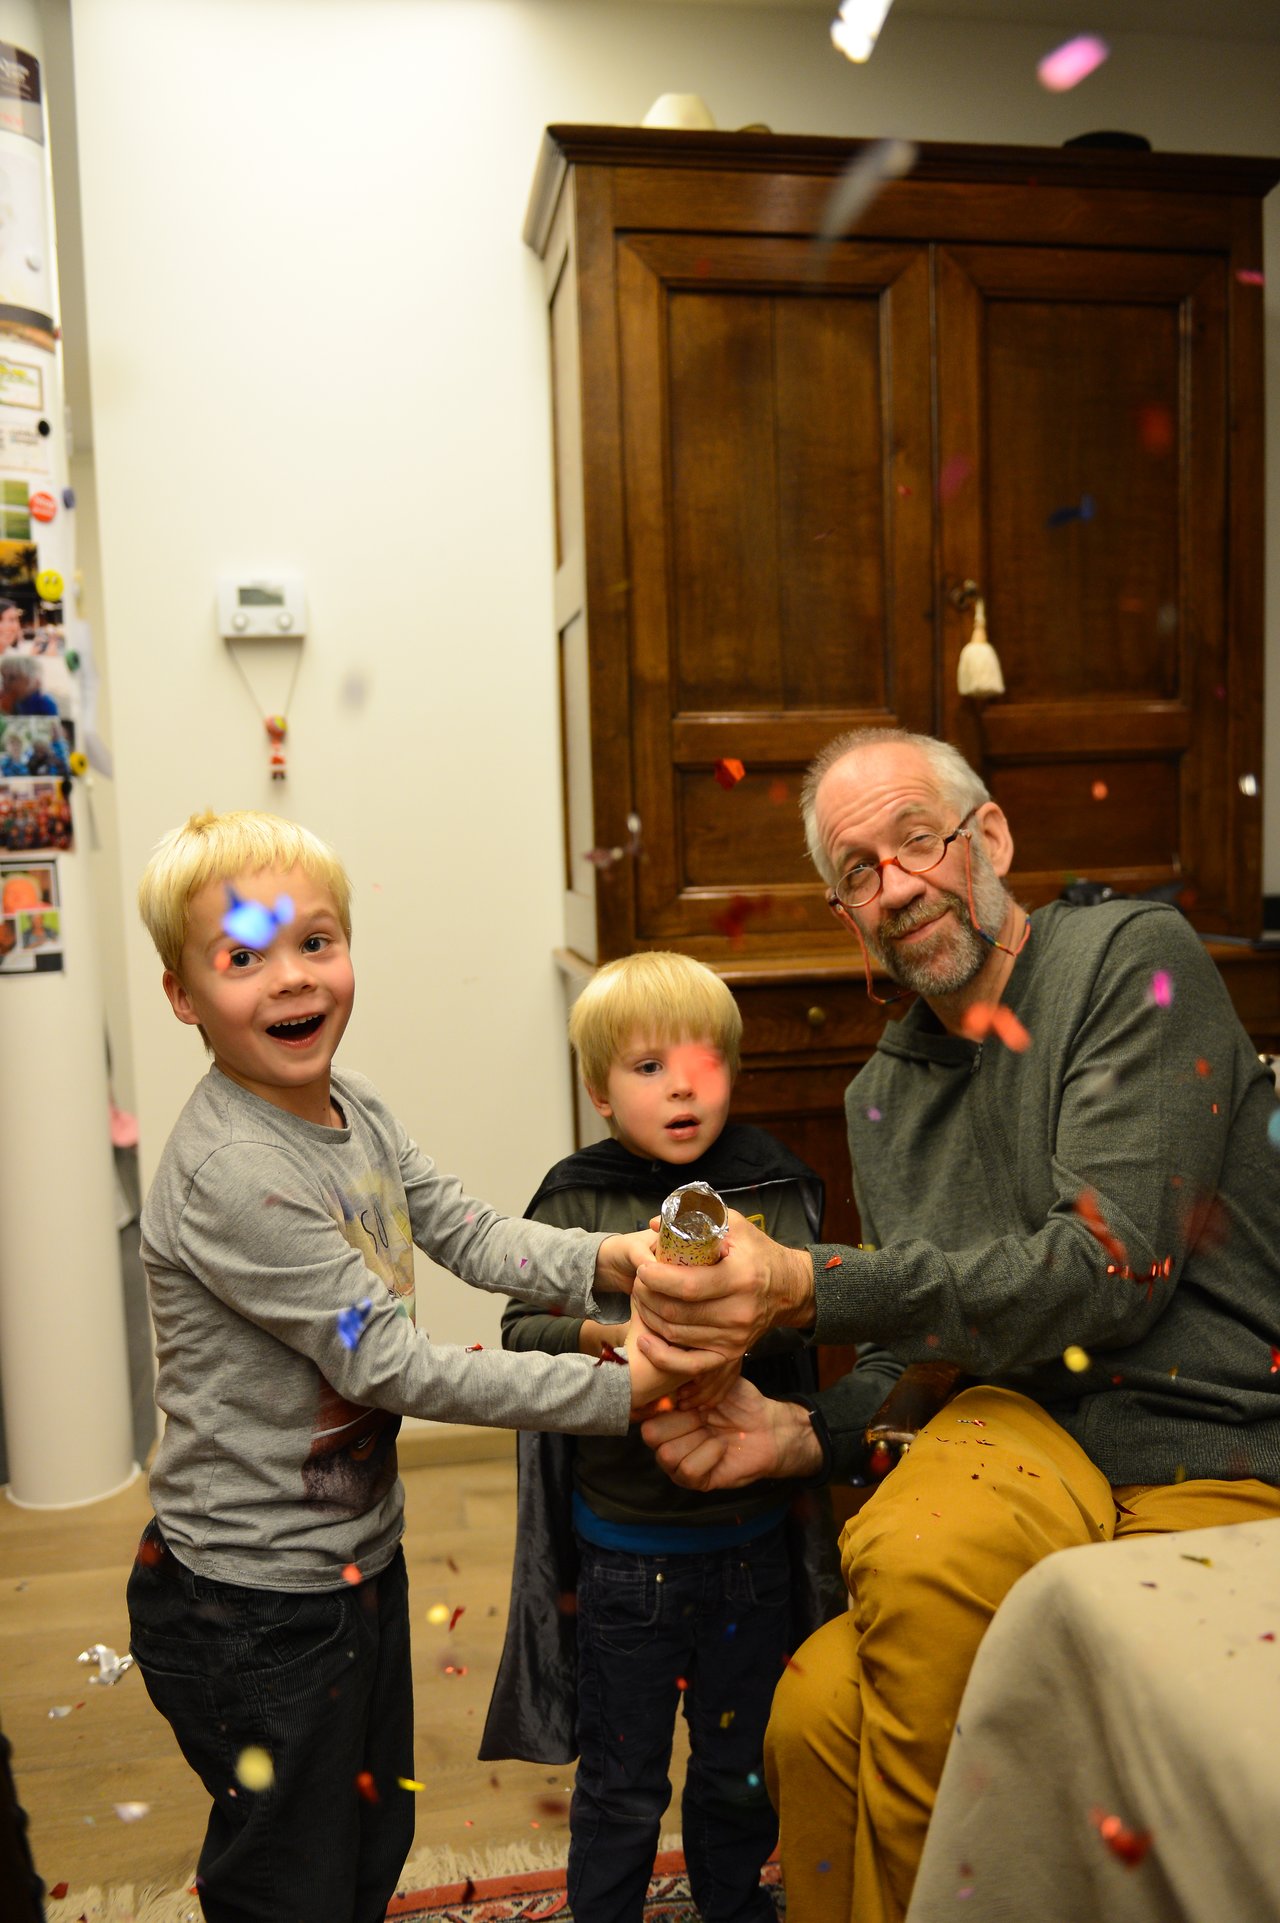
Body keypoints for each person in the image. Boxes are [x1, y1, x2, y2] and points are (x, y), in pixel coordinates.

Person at [636, 727, 1280, 1923]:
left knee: (889, 1643)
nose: (895, 887)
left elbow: (1109, 1266)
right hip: (1020, 1448)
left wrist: (803, 1283)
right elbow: (911, 1346)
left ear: (987, 839)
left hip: (1203, 1450)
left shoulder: (1130, 960)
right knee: (812, 1713)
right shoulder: (877, 1094)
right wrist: (802, 1436)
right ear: (847, 916)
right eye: (857, 873)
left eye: (915, 841)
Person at [127, 810, 720, 1923]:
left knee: (369, 1830)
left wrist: (610, 1255)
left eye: (315, 942)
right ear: (180, 996)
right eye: (242, 958)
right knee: (286, 1871)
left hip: (352, 1560)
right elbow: (391, 1365)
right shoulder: (235, 1173)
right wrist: (618, 1390)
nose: (292, 979)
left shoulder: (355, 1112)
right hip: (250, 1602)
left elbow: (463, 1226)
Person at [481, 952, 886, 1923]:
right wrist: (609, 1336)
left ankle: (733, 1907)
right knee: (620, 1780)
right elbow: (517, 1334)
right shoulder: (574, 1201)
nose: (680, 1087)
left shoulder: (772, 1188)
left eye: (702, 1063)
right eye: (647, 1066)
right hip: (623, 1554)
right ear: (597, 1090)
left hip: (748, 1546)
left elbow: (821, 1325)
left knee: (737, 1771)